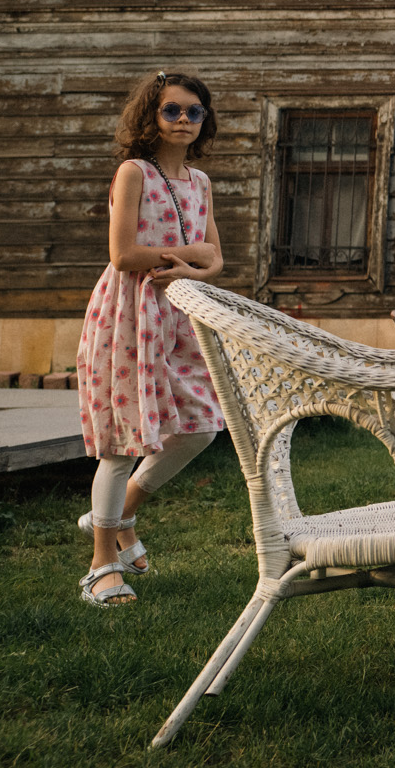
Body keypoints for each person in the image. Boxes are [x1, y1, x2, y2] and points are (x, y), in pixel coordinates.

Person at [74, 71, 227, 606]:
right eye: (172, 110)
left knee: (202, 426)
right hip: (130, 311)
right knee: (125, 439)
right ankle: (101, 564)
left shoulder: (200, 182)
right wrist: (189, 257)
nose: (184, 120)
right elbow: (122, 255)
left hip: (181, 312)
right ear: (151, 116)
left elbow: (216, 256)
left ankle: (122, 513)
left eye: (194, 112)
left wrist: (198, 268)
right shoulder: (133, 172)